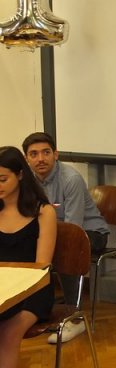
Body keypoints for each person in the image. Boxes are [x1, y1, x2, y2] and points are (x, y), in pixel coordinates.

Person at [21, 132, 110, 343]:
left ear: (56, 154)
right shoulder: (26, 180)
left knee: (65, 248)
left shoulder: (71, 179)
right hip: (54, 233)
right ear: (27, 159)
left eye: (46, 152)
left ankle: (75, 319)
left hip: (90, 234)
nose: (40, 159)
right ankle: (35, 311)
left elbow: (73, 228)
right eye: (34, 154)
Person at [0, 146, 57, 368]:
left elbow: (42, 267)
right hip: (3, 287)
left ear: (20, 175)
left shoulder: (43, 212)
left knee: (8, 333)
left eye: (3, 179)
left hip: (33, 289)